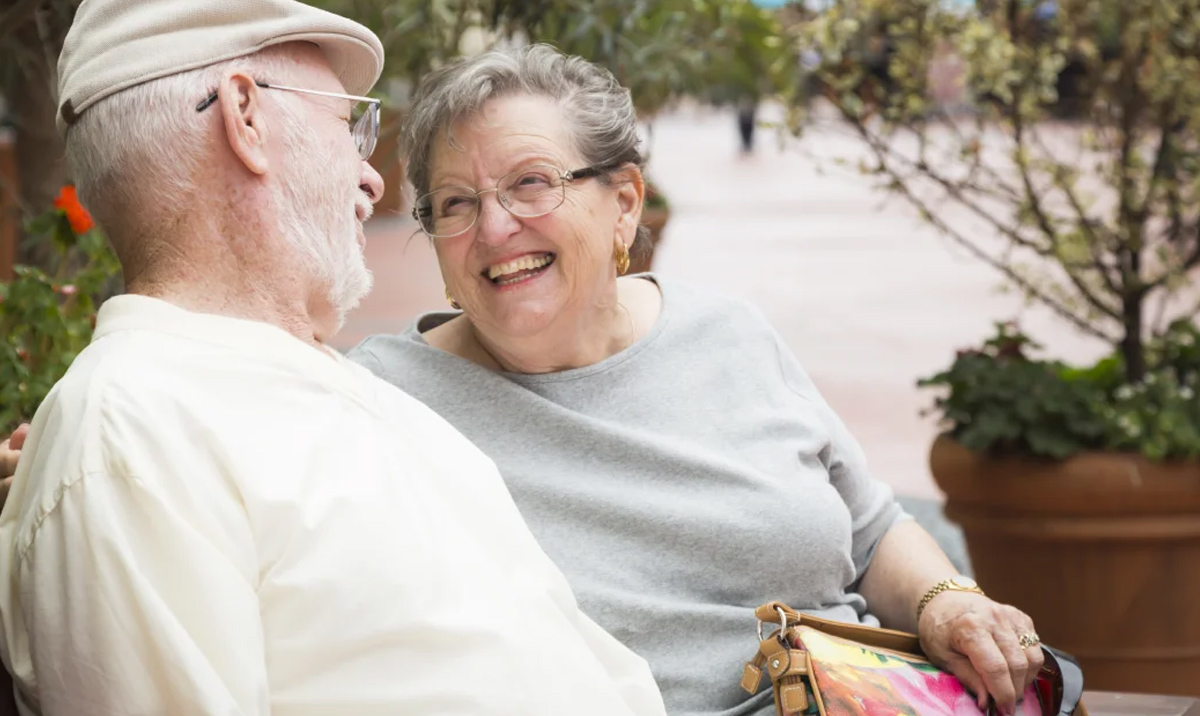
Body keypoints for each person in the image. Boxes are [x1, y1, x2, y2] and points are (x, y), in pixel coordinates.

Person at [0, 0, 666, 716]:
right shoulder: (132, 432)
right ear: (244, 117)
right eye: (349, 129)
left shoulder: (333, 389)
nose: (373, 181)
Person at [347, 44, 1046, 716]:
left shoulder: (727, 334)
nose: (495, 227)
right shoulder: (382, 402)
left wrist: (945, 602)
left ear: (624, 203)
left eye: (531, 183)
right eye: (456, 204)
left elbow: (872, 534)